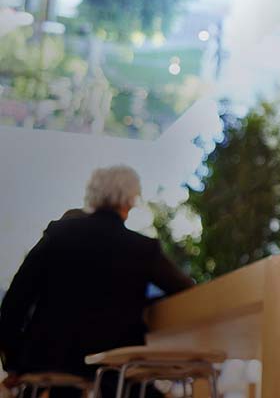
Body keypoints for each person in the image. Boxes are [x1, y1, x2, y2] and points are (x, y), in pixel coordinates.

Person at [0, 165, 194, 398]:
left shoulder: (59, 234)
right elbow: (186, 289)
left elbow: (15, 301)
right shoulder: (142, 249)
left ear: (93, 195)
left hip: (50, 359)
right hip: (111, 365)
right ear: (130, 201)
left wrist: (14, 361)